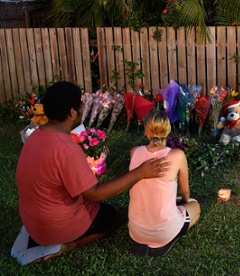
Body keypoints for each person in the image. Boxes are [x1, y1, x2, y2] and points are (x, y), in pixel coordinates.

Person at [14, 81, 170, 263]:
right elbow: (95, 194)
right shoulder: (65, 148)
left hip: (32, 223)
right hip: (54, 229)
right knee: (110, 216)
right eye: (81, 105)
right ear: (72, 112)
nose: (83, 108)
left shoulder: (35, 137)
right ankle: (66, 246)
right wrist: (139, 173)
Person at [128, 109, 200, 257]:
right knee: (195, 205)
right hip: (163, 231)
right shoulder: (177, 155)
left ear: (146, 132)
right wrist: (185, 203)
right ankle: (166, 241)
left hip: (135, 230)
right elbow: (185, 192)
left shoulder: (134, 152)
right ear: (167, 131)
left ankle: (147, 240)